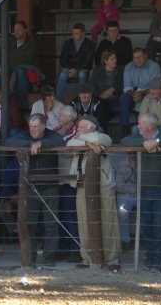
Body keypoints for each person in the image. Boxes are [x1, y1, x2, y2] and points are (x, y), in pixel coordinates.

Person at [120, 112, 161, 273]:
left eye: (140, 124)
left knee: (159, 225)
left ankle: (158, 261)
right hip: (143, 189)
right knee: (146, 226)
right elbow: (124, 142)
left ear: (150, 126)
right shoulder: (138, 137)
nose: (137, 126)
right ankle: (150, 258)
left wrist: (156, 141)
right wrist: (146, 142)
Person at [6, 114, 66, 267]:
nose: (32, 129)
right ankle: (29, 257)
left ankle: (49, 258)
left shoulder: (52, 135)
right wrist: (30, 144)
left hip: (50, 187)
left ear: (44, 126)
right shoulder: (26, 135)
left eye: (35, 127)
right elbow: (9, 141)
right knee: (30, 224)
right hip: (30, 188)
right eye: (30, 126)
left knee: (51, 224)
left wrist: (41, 143)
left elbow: (60, 142)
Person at [67, 115, 121, 271]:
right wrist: (87, 143)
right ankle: (87, 258)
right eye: (78, 127)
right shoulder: (81, 140)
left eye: (82, 127)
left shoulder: (102, 137)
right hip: (82, 184)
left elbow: (103, 140)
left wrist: (86, 141)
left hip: (103, 186)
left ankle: (112, 259)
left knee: (108, 219)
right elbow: (69, 143)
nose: (78, 130)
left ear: (92, 128)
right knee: (83, 221)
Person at [55, 105, 80, 262]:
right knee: (61, 216)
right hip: (59, 178)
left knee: (71, 215)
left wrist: (58, 141)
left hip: (71, 181)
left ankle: (76, 249)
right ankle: (64, 247)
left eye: (61, 115)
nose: (59, 118)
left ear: (70, 118)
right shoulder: (58, 130)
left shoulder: (78, 132)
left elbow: (70, 148)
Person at [119, 48, 161, 134]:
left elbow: (156, 86)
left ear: (145, 56)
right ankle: (125, 127)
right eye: (135, 58)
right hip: (133, 93)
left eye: (140, 57)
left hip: (148, 93)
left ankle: (144, 129)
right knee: (124, 97)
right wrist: (133, 94)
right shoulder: (128, 67)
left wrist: (141, 93)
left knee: (150, 96)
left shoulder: (154, 66)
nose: (137, 60)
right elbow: (127, 86)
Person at [7, 21, 44, 107]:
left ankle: (23, 103)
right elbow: (1, 55)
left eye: (19, 29)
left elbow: (27, 61)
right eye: (15, 30)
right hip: (11, 69)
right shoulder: (10, 42)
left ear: (25, 30)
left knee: (20, 71)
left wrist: (13, 62)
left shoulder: (32, 42)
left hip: (29, 71)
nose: (16, 32)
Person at [56, 23, 95, 101]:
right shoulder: (68, 43)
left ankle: (81, 101)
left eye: (76, 33)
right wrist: (71, 69)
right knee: (63, 74)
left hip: (83, 68)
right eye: (73, 33)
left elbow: (88, 62)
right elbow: (62, 60)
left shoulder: (89, 44)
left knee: (82, 74)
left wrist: (76, 70)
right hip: (69, 69)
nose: (74, 35)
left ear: (83, 33)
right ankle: (58, 101)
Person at [89, 49, 124, 119]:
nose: (115, 60)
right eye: (112, 59)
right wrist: (100, 95)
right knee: (99, 108)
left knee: (116, 109)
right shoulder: (97, 70)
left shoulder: (121, 70)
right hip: (100, 99)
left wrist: (113, 89)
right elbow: (91, 86)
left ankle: (102, 124)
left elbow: (123, 85)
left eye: (115, 58)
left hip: (115, 99)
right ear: (105, 61)